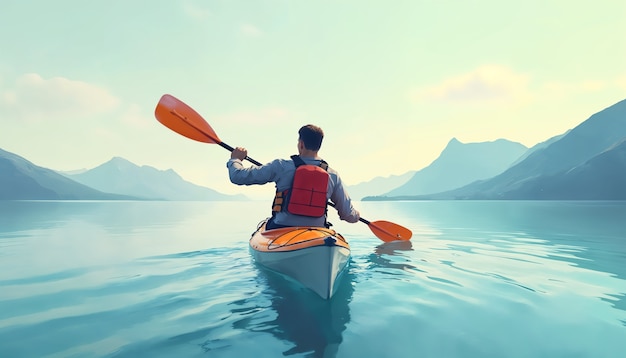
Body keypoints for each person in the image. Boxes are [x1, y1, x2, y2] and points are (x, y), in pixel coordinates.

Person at [226, 124, 360, 229]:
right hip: (318, 231)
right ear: (319, 145)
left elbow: (238, 176)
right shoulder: (332, 175)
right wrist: (356, 215)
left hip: (282, 228)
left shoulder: (280, 166)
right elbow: (348, 215)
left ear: (301, 144)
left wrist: (235, 160)